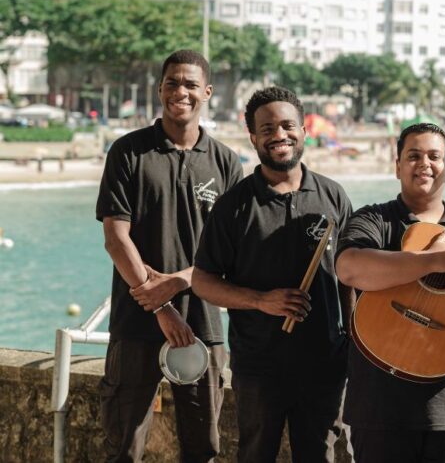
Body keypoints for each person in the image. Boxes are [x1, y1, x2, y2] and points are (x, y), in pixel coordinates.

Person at [191, 87, 354, 463]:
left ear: (303, 130)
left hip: (325, 365)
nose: (279, 135)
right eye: (267, 129)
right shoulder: (234, 204)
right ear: (253, 138)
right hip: (258, 367)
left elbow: (349, 277)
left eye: (287, 125)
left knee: (320, 456)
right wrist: (261, 301)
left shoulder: (333, 196)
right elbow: (203, 280)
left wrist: (351, 340)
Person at [95, 50, 243, 462]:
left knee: (204, 449)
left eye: (191, 84)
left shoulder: (227, 163)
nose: (181, 91)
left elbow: (230, 254)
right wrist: (156, 300)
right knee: (122, 448)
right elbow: (115, 237)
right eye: (173, 82)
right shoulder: (127, 152)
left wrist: (178, 282)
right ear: (159, 89)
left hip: (204, 326)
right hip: (135, 320)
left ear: (207, 92)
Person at [335, 123, 445, 463]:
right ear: (397, 166)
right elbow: (350, 268)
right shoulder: (374, 219)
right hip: (379, 407)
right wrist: (435, 260)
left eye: (435, 156)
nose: (424, 164)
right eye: (413, 156)